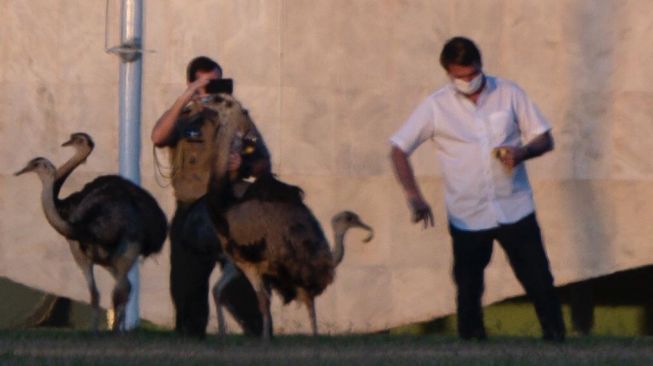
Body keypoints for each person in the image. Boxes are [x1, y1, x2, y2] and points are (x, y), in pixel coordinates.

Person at [389, 37, 565, 341]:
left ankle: (556, 339)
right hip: (468, 212)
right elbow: (398, 149)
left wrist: (522, 152)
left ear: (481, 66)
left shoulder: (508, 92)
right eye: (460, 77)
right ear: (448, 72)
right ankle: (471, 343)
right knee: (468, 285)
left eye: (472, 75)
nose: (468, 82)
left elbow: (544, 138)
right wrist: (414, 197)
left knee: (538, 278)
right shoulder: (436, 106)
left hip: (514, 205)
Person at [152, 56, 271, 338]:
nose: (214, 91)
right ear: (192, 84)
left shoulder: (238, 118)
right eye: (207, 84)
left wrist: (242, 165)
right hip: (190, 206)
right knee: (186, 282)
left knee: (245, 276)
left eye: (217, 82)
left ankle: (258, 334)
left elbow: (263, 161)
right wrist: (187, 97)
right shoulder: (183, 118)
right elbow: (158, 137)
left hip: (230, 210)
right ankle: (190, 338)